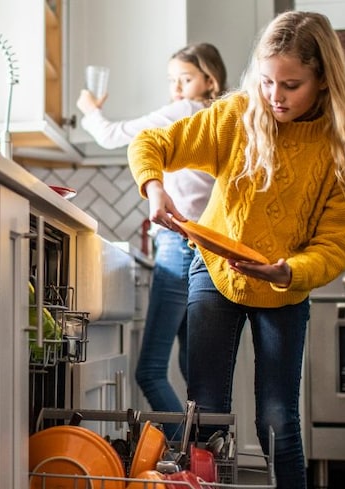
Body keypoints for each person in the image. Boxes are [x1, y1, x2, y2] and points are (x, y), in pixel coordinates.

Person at [127, 11, 345, 489]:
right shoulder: (236, 115)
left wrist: (289, 272)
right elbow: (151, 143)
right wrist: (154, 188)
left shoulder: (337, 148)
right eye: (267, 81)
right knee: (206, 411)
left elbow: (338, 242)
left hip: (283, 287)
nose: (274, 97)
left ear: (323, 81)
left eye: (291, 85)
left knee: (279, 419)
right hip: (215, 271)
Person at [76, 43, 227, 441]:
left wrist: (91, 108)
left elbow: (114, 136)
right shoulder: (217, 120)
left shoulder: (184, 113)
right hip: (203, 249)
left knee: (149, 370)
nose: (177, 88)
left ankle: (186, 458)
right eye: (172, 80)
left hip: (178, 247)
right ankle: (204, 462)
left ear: (209, 79)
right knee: (194, 374)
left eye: (186, 78)